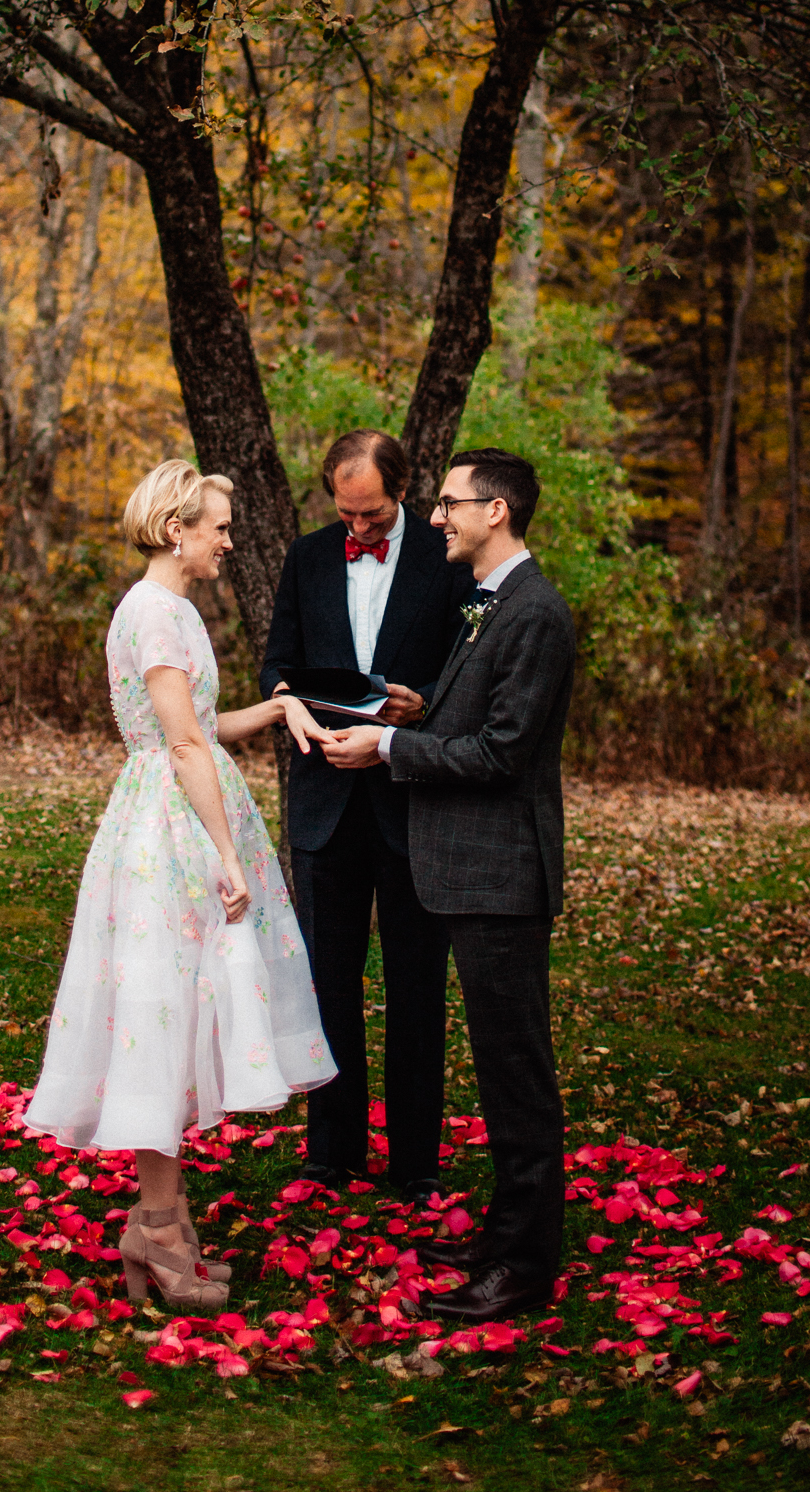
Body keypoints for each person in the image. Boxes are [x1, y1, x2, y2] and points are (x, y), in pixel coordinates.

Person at [25, 458, 338, 1310]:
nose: (229, 541)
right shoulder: (156, 615)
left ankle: (160, 1222)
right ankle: (158, 1227)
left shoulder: (173, 612)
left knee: (183, 1009)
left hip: (183, 810)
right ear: (177, 530)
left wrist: (277, 709)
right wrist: (225, 852)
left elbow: (205, 728)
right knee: (166, 1013)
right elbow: (186, 748)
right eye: (218, 527)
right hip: (171, 829)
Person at [322, 446, 575, 1321]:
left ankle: (526, 1266)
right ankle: (505, 1236)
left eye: (450, 504)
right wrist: (418, 708)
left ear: (495, 511)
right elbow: (476, 716)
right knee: (503, 1067)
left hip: (502, 872)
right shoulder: (490, 604)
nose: (436, 518)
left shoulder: (535, 612)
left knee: (516, 1073)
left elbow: (504, 752)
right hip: (473, 871)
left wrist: (390, 748)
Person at [261, 429, 472, 1200]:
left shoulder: (445, 558)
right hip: (324, 804)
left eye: (374, 516)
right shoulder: (308, 556)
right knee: (328, 984)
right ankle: (332, 1150)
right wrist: (291, 709)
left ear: (405, 489)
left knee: (418, 986)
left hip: (413, 801)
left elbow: (467, 676)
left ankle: (415, 1162)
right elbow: (277, 662)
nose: (359, 530)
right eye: (347, 516)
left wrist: (425, 710)